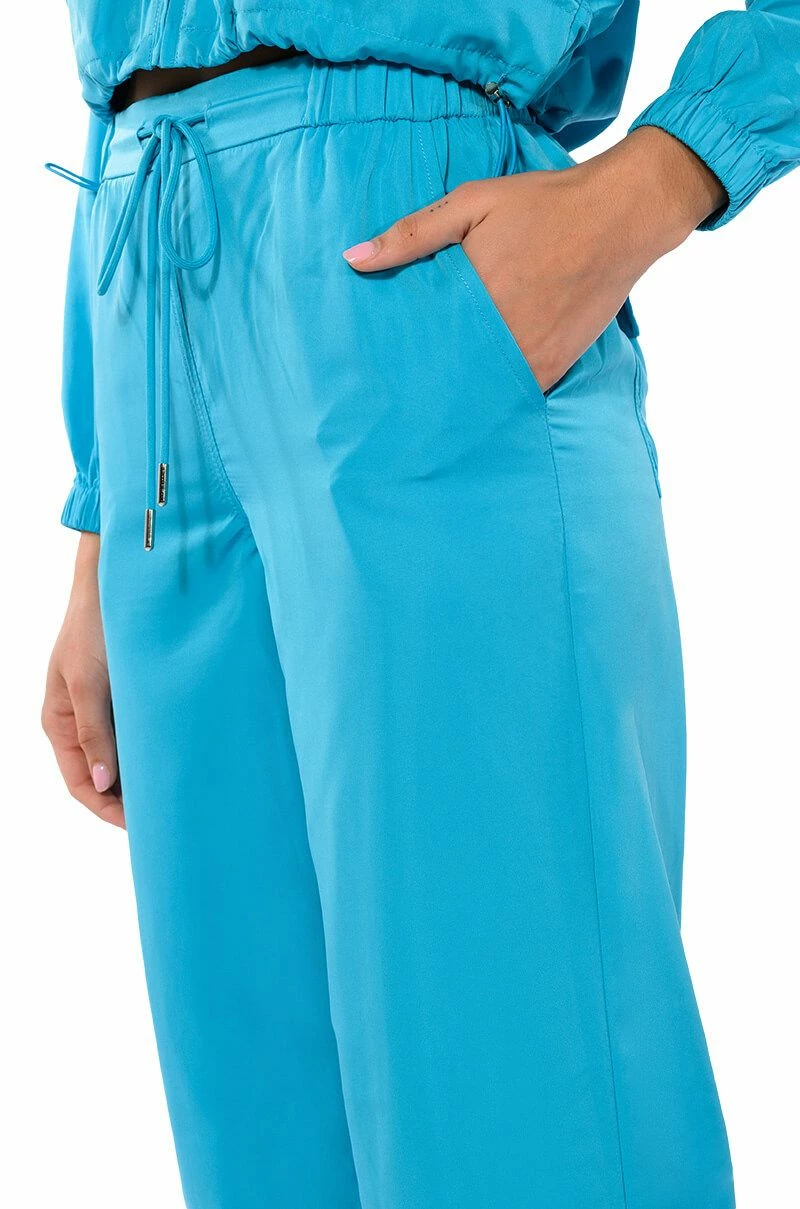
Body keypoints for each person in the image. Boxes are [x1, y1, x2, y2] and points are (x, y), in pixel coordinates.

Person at [41, 4, 798, 1207]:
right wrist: (99, 517)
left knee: (520, 1112)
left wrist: (668, 169)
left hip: (417, 256)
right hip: (147, 305)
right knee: (262, 1143)